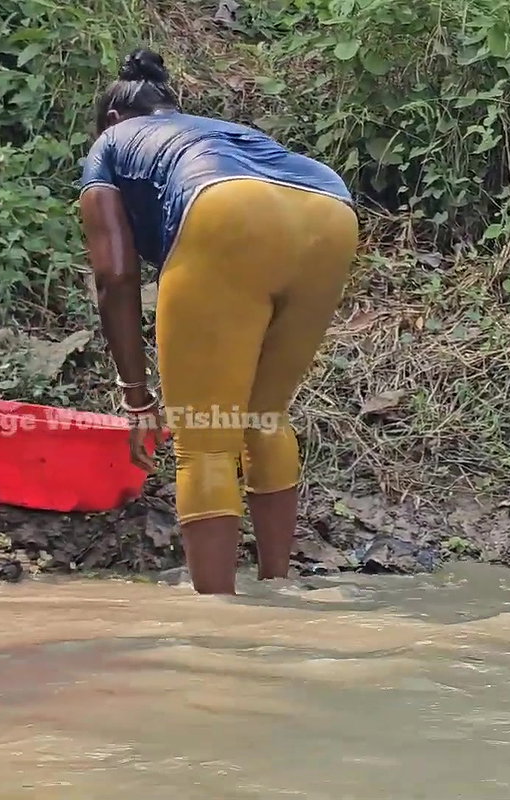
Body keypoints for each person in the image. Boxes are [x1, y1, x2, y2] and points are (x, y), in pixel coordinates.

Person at [78, 49, 359, 594]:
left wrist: (135, 395)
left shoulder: (110, 143)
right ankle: (280, 586)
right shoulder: (219, 129)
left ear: (112, 119)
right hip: (329, 207)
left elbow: (114, 276)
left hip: (225, 209)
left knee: (204, 441)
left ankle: (217, 620)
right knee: (266, 417)